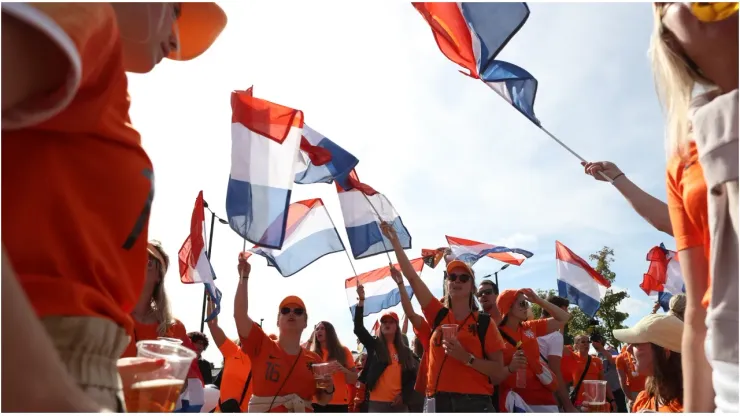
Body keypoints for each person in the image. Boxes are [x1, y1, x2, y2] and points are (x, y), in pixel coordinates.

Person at [1, 2, 226, 410]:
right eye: (174, 9)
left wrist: (105, 372)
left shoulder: (102, 78)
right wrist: (50, 388)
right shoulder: (86, 14)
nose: (175, 39)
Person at [381, 222, 510, 412]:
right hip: (436, 402)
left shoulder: (483, 323)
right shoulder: (437, 314)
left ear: (472, 288)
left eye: (463, 278)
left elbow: (499, 374)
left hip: (474, 403)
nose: (457, 280)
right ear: (447, 284)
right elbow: (413, 278)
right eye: (452, 277)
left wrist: (467, 358)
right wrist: (394, 242)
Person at [233, 254, 334, 412]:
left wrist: (329, 388)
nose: (291, 313)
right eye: (285, 311)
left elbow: (322, 400)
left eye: (298, 311)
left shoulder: (315, 359)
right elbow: (239, 314)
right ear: (278, 321)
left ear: (306, 322)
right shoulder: (261, 344)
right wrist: (243, 277)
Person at [120, 241, 205, 412]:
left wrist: (177, 377)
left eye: (148, 262)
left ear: (158, 276)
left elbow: (193, 379)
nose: (137, 263)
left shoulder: (174, 329)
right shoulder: (110, 317)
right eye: (134, 258)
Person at [496, 289, 571, 412]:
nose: (526, 307)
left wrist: (538, 300)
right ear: (508, 307)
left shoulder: (530, 326)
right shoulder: (494, 333)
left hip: (545, 400)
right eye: (522, 304)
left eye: (527, 304)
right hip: (515, 402)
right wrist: (510, 367)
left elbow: (564, 318)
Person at [353, 288, 417, 413]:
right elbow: (358, 328)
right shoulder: (374, 345)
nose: (387, 324)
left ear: (397, 327)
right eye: (384, 322)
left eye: (391, 322)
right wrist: (361, 301)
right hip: (377, 404)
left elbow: (412, 379)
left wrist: (404, 396)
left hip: (399, 405)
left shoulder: (405, 351)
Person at [613, 314, 685, 413]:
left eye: (636, 344)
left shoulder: (696, 403)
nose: (628, 349)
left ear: (665, 353)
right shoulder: (643, 400)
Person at [204, 297, 253, 413]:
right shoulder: (232, 351)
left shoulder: (266, 358)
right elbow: (212, 324)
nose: (249, 334)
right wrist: (210, 299)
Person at [536, 295, 579, 413]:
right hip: (545, 400)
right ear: (555, 311)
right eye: (564, 312)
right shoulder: (555, 337)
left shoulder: (528, 327)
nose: (566, 317)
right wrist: (568, 406)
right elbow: (555, 372)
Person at [310, 321, 358, 412]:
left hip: (339, 403)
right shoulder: (311, 354)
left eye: (322, 328)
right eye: (317, 329)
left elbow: (354, 379)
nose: (318, 331)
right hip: (315, 402)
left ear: (330, 332)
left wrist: (343, 370)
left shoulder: (343, 351)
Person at [569, 334, 617, 412]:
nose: (586, 344)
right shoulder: (571, 359)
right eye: (583, 342)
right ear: (576, 345)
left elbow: (603, 382)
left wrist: (612, 400)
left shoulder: (596, 360)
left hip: (596, 403)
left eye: (588, 342)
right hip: (579, 403)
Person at [616, 345, 646, 412]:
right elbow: (622, 380)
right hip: (633, 393)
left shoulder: (644, 352)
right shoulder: (620, 358)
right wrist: (630, 398)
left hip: (649, 390)